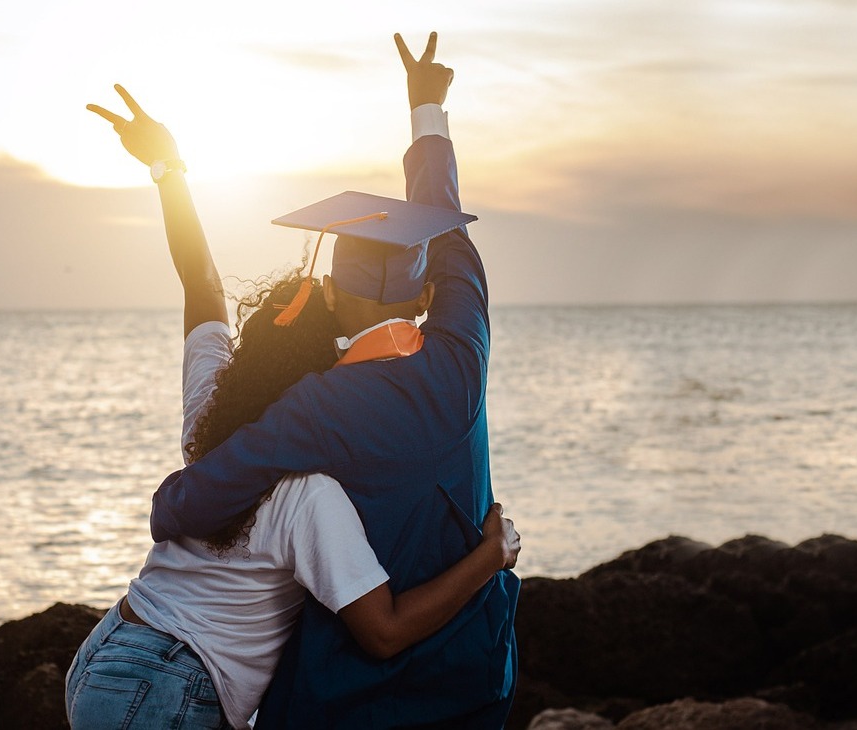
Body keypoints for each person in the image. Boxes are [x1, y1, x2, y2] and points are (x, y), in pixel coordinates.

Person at [65, 39, 520, 729]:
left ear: (331, 294)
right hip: (176, 688)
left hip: (108, 652)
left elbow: (202, 290)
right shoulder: (459, 357)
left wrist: (167, 168)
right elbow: (447, 222)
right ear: (427, 290)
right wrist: (427, 109)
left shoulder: (244, 404)